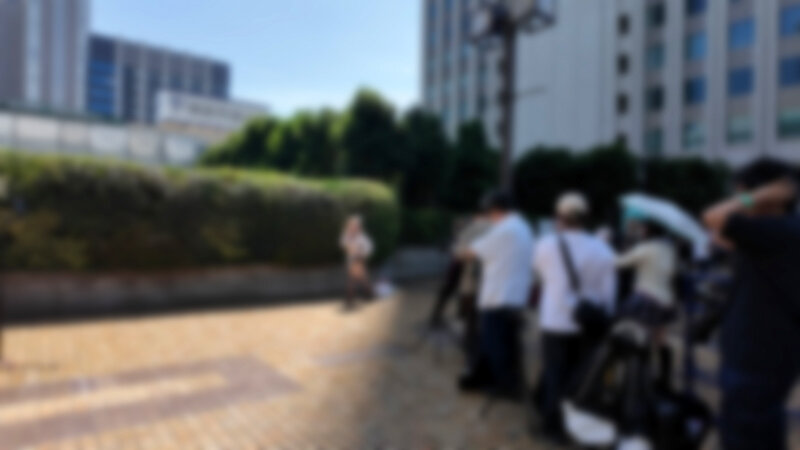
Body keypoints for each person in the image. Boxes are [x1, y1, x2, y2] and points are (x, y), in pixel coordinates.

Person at [702, 159, 800, 450]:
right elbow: (720, 233)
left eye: (742, 193)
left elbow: (713, 216)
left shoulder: (779, 230)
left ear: (769, 194)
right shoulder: (774, 233)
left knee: (748, 436)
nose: (739, 202)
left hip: (756, 361)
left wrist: (756, 196)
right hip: (761, 358)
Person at [532, 192, 617, 442]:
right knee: (580, 375)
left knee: (554, 373)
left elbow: (541, 275)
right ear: (586, 217)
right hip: (588, 324)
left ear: (559, 217)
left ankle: (553, 428)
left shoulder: (546, 244)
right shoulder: (602, 248)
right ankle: (577, 425)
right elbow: (609, 293)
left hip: (555, 320)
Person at [458, 191, 535, 400]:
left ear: (495, 210)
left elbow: (470, 253)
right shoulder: (524, 227)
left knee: (496, 345)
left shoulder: (504, 229)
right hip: (515, 296)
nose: (489, 217)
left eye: (489, 212)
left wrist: (462, 247)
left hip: (498, 296)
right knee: (506, 343)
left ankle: (505, 387)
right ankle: (501, 382)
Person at [616, 219, 678, 391]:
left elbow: (619, 262)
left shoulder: (646, 248)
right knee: (661, 340)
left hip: (646, 298)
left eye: (643, 229)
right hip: (666, 300)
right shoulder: (669, 249)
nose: (641, 232)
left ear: (649, 231)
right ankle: (664, 381)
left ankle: (639, 381)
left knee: (639, 338)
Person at [340, 215, 374, 310]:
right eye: (352, 225)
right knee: (355, 278)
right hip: (352, 260)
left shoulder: (362, 236)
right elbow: (344, 246)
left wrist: (362, 253)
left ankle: (367, 294)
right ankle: (365, 295)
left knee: (361, 278)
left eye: (356, 225)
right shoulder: (346, 235)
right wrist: (353, 248)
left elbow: (368, 248)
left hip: (360, 259)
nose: (354, 227)